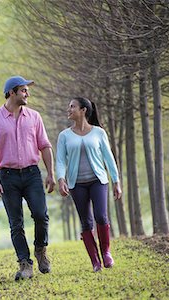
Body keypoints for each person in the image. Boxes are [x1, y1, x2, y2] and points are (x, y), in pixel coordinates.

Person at [0, 75, 55, 280]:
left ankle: (41, 249)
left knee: (41, 215)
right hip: (8, 176)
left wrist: (51, 173)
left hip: (32, 173)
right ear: (12, 92)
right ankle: (25, 263)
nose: (27, 93)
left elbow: (45, 146)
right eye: (23, 90)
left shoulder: (34, 117)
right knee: (16, 223)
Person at [56, 97, 122, 272]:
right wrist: (61, 179)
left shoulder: (99, 132)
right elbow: (61, 160)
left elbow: (109, 158)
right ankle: (95, 262)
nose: (68, 109)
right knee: (86, 222)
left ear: (83, 110)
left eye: (72, 106)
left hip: (98, 181)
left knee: (101, 216)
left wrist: (116, 181)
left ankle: (106, 252)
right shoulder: (64, 136)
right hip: (76, 184)